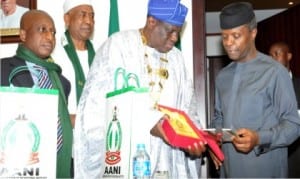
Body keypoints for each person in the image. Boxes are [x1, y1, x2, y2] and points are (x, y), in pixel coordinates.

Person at [74, 0, 206, 178]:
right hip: (129, 158)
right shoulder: (118, 47)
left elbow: (188, 108)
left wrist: (195, 139)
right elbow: (96, 107)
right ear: (152, 22)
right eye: (170, 31)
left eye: (178, 31)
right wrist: (152, 122)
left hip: (168, 160)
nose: (175, 38)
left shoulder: (176, 59)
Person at [211, 2, 300, 178]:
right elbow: (219, 118)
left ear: (253, 33)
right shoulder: (222, 77)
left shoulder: (274, 72)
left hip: (266, 170)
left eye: (236, 36)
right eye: (224, 36)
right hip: (228, 171)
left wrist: (259, 138)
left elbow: (293, 125)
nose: (228, 43)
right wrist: (214, 144)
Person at [0, 10, 73, 178]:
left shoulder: (62, 83)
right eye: (42, 30)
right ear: (23, 35)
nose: (50, 37)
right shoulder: (3, 70)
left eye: (53, 32)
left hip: (57, 169)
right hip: (14, 169)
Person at [52, 0, 95, 128]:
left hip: (96, 131)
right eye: (82, 15)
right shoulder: (54, 53)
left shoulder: (99, 54)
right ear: (67, 18)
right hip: (65, 132)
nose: (88, 21)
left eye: (92, 16)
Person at [269, 41, 300, 178]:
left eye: (277, 54)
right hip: (272, 159)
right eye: (270, 56)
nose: (273, 59)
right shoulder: (264, 90)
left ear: (289, 56)